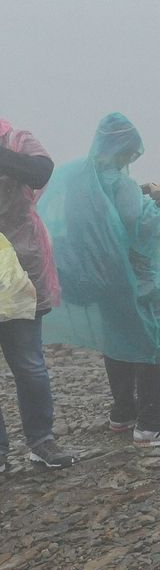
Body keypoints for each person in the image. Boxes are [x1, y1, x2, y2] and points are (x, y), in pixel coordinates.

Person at [39, 113, 160, 446]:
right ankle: (153, 424)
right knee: (147, 342)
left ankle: (123, 412)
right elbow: (149, 228)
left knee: (117, 339)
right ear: (126, 149)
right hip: (132, 281)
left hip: (98, 277)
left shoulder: (81, 179)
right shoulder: (121, 185)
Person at [0, 119, 75, 470]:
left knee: (29, 363)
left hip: (20, 272)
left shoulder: (16, 139)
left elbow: (40, 171)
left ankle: (41, 441)